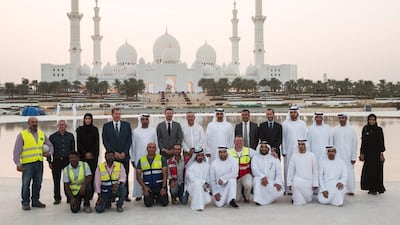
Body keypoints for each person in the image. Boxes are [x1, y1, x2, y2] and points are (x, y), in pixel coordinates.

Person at [13, 117, 54, 210]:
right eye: (32, 122)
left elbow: (50, 145)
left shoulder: (41, 134)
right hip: (27, 164)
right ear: (28, 123)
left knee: (38, 183)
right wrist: (18, 163)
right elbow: (16, 151)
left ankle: (35, 201)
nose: (34, 123)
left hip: (39, 163)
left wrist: (49, 153)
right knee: (26, 184)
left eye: (36, 122)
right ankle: (26, 203)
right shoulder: (22, 135)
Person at [102, 108, 132, 201]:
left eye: (119, 114)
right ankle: (112, 195)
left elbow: (129, 140)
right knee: (112, 176)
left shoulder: (127, 125)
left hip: (124, 156)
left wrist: (124, 152)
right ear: (112, 115)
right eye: (116, 114)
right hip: (112, 156)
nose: (118, 115)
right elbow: (105, 141)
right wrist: (113, 153)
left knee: (125, 174)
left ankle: (125, 195)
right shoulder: (106, 126)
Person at [130, 113, 158, 201]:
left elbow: (156, 143)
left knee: (152, 174)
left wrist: (157, 156)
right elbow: (132, 146)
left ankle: (152, 191)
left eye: (146, 119)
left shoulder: (153, 131)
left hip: (152, 157)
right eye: (143, 119)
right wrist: (133, 158)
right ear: (140, 120)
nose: (145, 121)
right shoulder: (135, 131)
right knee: (138, 175)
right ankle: (138, 194)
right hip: (138, 156)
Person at [49, 119, 75, 205]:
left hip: (67, 161)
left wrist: (74, 161)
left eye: (63, 125)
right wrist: (49, 162)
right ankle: (57, 198)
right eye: (60, 125)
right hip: (56, 161)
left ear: (66, 126)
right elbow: (49, 150)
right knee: (56, 180)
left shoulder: (70, 136)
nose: (61, 126)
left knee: (68, 180)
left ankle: (69, 197)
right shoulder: (52, 137)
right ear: (57, 126)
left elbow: (73, 150)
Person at [282, 105, 307, 192]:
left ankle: (299, 188)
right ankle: (288, 189)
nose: (293, 114)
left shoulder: (302, 124)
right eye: (291, 112)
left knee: (300, 168)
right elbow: (283, 138)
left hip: (300, 150)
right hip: (288, 151)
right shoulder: (285, 124)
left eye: (294, 112)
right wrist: (284, 150)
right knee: (288, 168)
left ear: (297, 113)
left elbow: (305, 137)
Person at [360, 114, 386, 195]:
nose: (371, 121)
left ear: (375, 120)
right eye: (370, 120)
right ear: (368, 120)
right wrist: (362, 153)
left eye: (373, 120)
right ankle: (370, 188)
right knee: (368, 171)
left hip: (376, 154)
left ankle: (376, 188)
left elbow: (381, 141)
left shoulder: (379, 129)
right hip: (368, 154)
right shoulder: (365, 129)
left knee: (377, 171)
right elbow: (363, 142)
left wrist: (381, 154)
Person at [332, 113, 357, 195]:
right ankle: (339, 188)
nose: (342, 119)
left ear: (346, 119)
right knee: (338, 172)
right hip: (338, 155)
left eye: (343, 118)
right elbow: (332, 144)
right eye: (340, 118)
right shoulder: (334, 130)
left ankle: (350, 189)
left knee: (349, 172)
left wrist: (353, 157)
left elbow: (354, 144)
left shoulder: (352, 130)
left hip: (349, 155)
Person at [136, 142, 169, 207]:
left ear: (156, 149)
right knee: (148, 204)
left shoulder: (161, 158)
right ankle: (153, 197)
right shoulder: (141, 160)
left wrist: (163, 188)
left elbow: (165, 175)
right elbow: (138, 177)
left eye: (153, 148)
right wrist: (144, 188)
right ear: (147, 149)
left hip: (159, 186)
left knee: (164, 203)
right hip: (148, 187)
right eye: (150, 147)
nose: (151, 149)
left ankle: (158, 197)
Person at [251, 141, 284, 205]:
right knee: (257, 181)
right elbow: (254, 170)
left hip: (271, 181)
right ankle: (259, 201)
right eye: (262, 147)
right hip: (260, 179)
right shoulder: (255, 158)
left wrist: (278, 182)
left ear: (269, 148)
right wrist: (263, 177)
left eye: (266, 147)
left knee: (279, 191)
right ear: (259, 148)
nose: (264, 149)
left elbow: (279, 173)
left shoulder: (274, 158)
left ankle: (267, 199)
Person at [287, 139, 318, 206]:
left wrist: (315, 184)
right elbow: (291, 170)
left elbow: (315, 170)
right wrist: (289, 183)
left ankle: (296, 197)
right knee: (296, 185)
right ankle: (297, 199)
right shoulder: (294, 156)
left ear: (306, 145)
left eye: (302, 144)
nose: (301, 146)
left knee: (308, 200)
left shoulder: (312, 156)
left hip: (308, 181)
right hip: (297, 179)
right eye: (299, 144)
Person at [76, 113, 99, 199]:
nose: (88, 120)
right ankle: (82, 193)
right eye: (86, 119)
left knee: (92, 175)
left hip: (92, 158)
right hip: (83, 157)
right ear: (84, 120)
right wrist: (85, 153)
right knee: (83, 176)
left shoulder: (95, 129)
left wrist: (91, 153)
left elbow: (96, 143)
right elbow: (79, 144)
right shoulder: (80, 130)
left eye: (89, 119)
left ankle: (90, 194)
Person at [228, 135, 257, 202]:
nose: (239, 142)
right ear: (234, 142)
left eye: (240, 141)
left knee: (248, 184)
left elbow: (259, 154)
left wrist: (271, 153)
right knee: (236, 199)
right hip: (234, 177)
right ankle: (239, 193)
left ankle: (246, 196)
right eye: (237, 141)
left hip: (245, 175)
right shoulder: (229, 152)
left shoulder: (248, 150)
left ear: (243, 142)